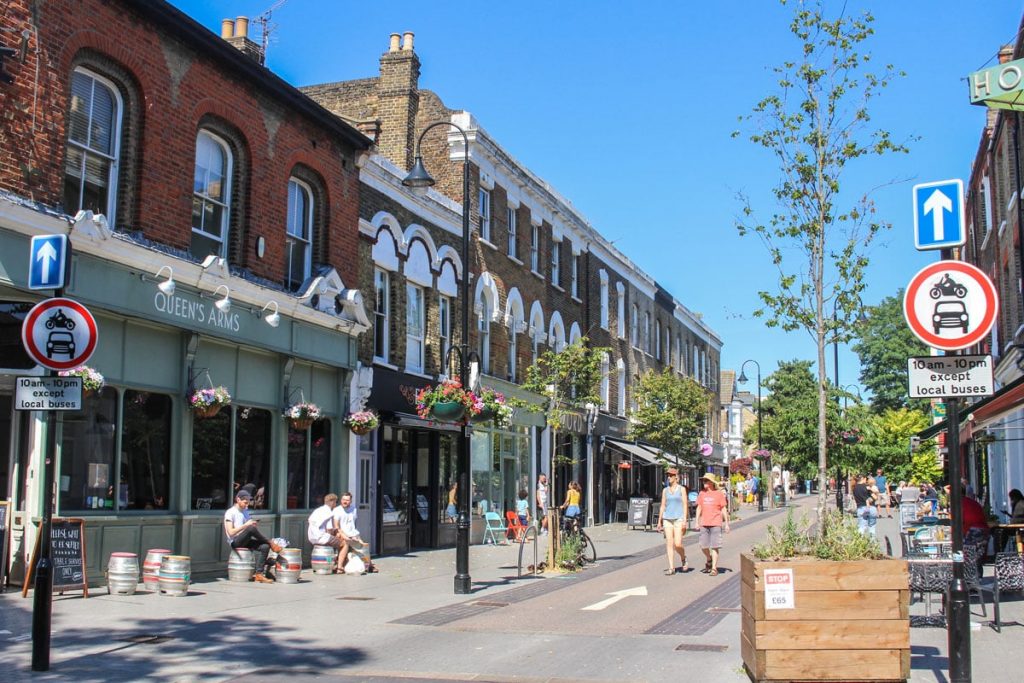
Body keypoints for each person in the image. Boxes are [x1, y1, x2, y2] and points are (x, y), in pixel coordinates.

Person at [224, 490, 282, 583]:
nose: (246, 505)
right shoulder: (230, 512)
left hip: (246, 539)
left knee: (265, 547)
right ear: (238, 499)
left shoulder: (245, 512)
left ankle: (259, 574)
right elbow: (231, 532)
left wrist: (252, 524)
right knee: (251, 529)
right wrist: (247, 525)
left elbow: (249, 528)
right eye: (245, 502)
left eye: (248, 503)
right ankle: (271, 542)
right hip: (235, 542)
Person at [333, 492, 376, 573]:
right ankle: (340, 567)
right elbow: (336, 526)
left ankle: (369, 565)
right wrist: (344, 536)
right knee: (345, 544)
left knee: (364, 546)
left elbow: (353, 524)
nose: (345, 501)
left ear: (351, 501)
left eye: (347, 500)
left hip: (353, 534)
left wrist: (355, 536)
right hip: (342, 534)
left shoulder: (353, 509)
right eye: (343, 499)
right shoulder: (337, 510)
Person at [695, 473, 729, 576]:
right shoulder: (701, 493)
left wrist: (726, 523)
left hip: (716, 523)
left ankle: (714, 568)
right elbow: (699, 507)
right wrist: (696, 521)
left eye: (706, 480)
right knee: (703, 546)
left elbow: (723, 508)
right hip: (704, 523)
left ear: (711, 483)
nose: (704, 482)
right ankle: (709, 559)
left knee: (715, 546)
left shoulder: (718, 494)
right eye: (703, 480)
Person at [656, 469, 688, 575]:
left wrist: (685, 519)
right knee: (669, 543)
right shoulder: (665, 490)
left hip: (678, 518)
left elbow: (684, 504)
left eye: (671, 475)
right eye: (668, 476)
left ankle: (683, 558)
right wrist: (659, 521)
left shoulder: (681, 489)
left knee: (677, 544)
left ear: (676, 477)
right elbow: (663, 505)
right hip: (667, 519)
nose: (669, 477)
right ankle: (671, 567)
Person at [307, 492, 343, 570]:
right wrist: (336, 535)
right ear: (332, 502)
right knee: (344, 543)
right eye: (336, 502)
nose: (336, 504)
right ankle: (339, 566)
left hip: (312, 537)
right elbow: (329, 529)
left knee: (332, 542)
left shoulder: (318, 510)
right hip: (321, 537)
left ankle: (331, 562)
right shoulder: (329, 513)